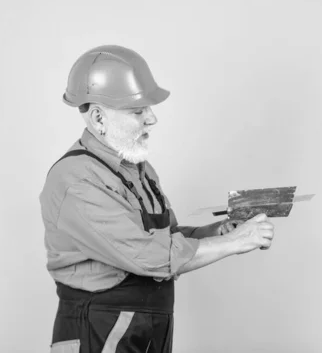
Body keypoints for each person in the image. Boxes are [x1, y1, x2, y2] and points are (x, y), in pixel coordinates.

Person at [39, 45, 275, 353]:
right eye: (138, 111)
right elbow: (149, 256)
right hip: (97, 329)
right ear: (98, 118)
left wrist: (216, 232)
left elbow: (166, 238)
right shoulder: (77, 180)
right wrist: (235, 243)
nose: (152, 119)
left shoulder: (139, 169)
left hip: (145, 324)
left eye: (148, 108)